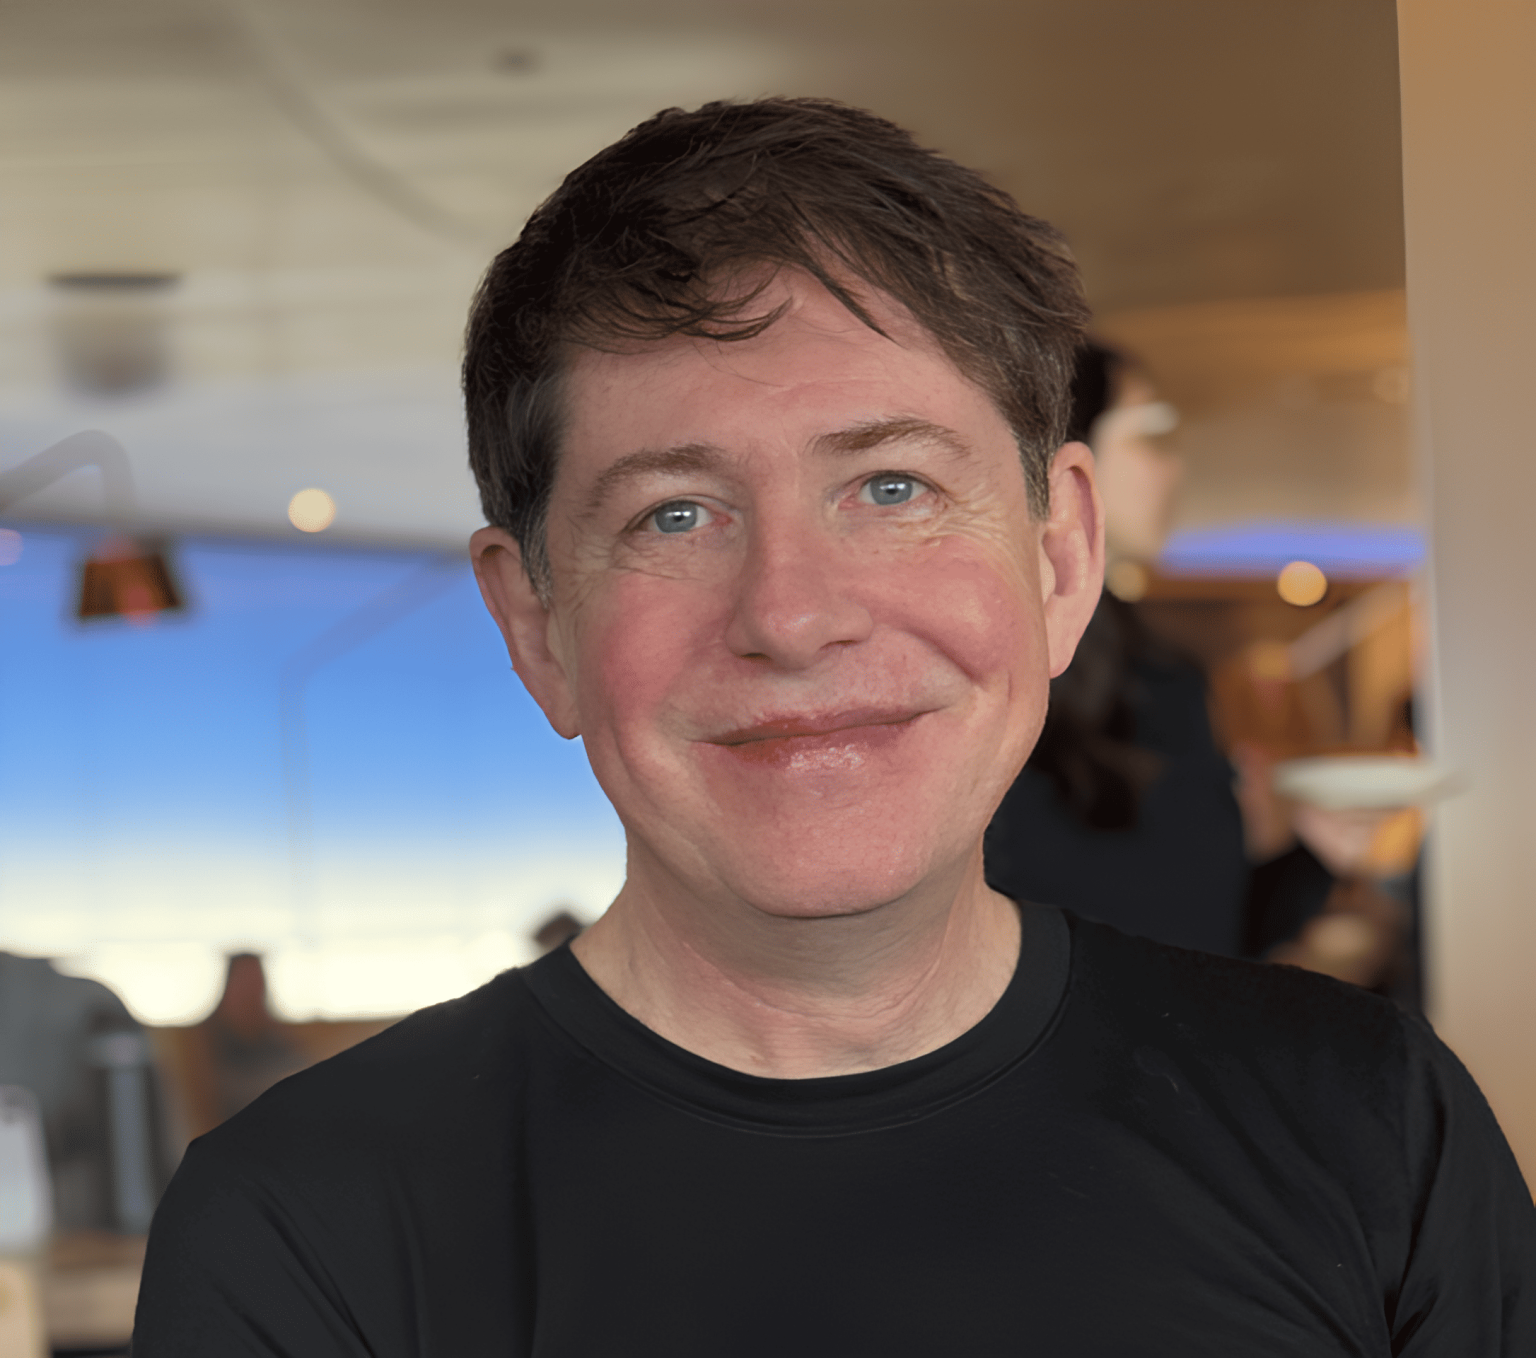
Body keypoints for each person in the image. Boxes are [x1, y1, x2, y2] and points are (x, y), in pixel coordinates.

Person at [133, 98, 1534, 1355]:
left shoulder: (1372, 1123)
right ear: (537, 625)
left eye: (892, 488)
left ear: (1060, 559)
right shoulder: (306, 1226)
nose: (793, 616)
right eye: (675, 514)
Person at [984, 341, 1250, 955]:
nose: (1173, 470)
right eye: (1150, 439)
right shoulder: (991, 670)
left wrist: (1302, 851)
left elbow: (1212, 926)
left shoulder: (1160, 673)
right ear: (1065, 468)